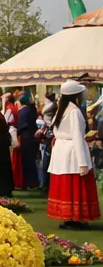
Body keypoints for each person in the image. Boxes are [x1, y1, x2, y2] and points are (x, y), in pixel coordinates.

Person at [47, 80, 100, 228]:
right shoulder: (74, 111)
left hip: (61, 151)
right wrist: (82, 163)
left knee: (65, 185)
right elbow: (77, 136)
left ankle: (68, 217)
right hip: (72, 151)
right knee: (75, 184)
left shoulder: (62, 110)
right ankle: (76, 217)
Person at [15, 92, 39, 191]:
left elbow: (20, 126)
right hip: (33, 137)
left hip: (25, 138)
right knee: (32, 161)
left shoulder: (23, 112)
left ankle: (27, 182)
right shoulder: (33, 110)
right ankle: (33, 181)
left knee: (26, 161)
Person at [3, 89, 24, 189]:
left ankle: (14, 180)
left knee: (13, 158)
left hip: (11, 132)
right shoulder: (13, 107)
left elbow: (5, 120)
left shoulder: (9, 108)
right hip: (14, 131)